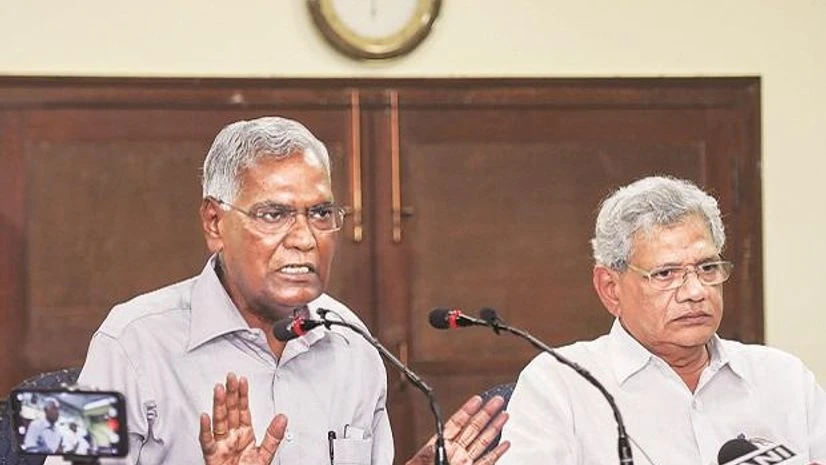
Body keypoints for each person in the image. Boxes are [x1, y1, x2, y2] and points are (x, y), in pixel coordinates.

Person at [61, 116, 509, 465]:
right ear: (215, 223)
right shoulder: (127, 341)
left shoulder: (352, 340)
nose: (304, 238)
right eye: (274, 214)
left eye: (320, 213)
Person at [498, 176, 826, 465]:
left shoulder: (784, 379)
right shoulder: (560, 385)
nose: (695, 291)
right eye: (666, 274)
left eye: (708, 268)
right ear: (610, 288)